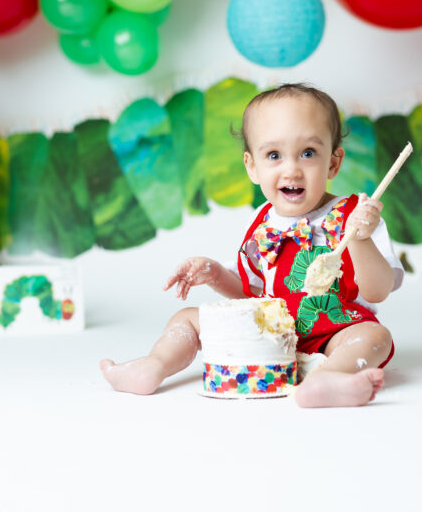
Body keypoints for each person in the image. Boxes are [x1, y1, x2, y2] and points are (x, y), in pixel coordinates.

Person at [100, 83, 403, 408]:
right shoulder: (262, 221)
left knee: (374, 337)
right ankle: (153, 366)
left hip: (332, 329)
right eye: (274, 155)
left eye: (308, 153)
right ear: (252, 166)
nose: (291, 169)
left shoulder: (357, 215)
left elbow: (377, 291)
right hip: (269, 328)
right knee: (187, 317)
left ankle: (327, 380)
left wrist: (359, 238)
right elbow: (250, 291)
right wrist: (215, 273)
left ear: (333, 162)